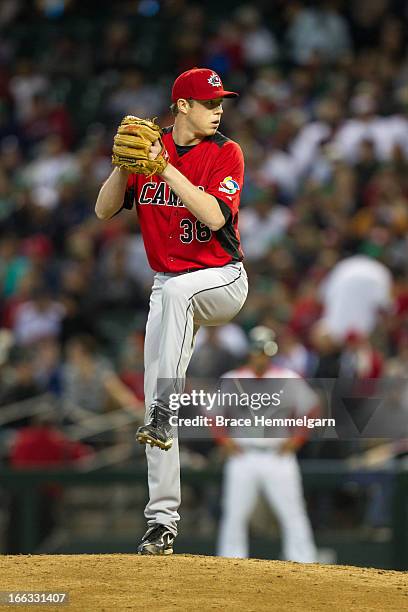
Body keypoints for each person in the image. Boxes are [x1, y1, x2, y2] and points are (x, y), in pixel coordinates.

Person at [95, 68, 248, 555]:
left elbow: (215, 216)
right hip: (169, 285)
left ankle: (165, 404)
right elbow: (103, 210)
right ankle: (161, 523)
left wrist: (164, 169)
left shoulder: (226, 151)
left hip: (222, 278)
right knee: (155, 403)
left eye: (220, 101)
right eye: (209, 102)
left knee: (178, 295)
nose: (218, 108)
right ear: (182, 105)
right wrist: (124, 167)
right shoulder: (148, 147)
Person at [216, 326, 318, 562]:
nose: (261, 355)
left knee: (293, 512)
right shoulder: (232, 379)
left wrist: (297, 439)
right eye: (257, 351)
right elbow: (213, 414)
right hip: (244, 454)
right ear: (250, 352)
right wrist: (223, 440)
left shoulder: (288, 378)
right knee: (235, 513)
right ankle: (230, 563)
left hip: (277, 455)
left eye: (265, 351)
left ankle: (304, 561)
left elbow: (311, 408)